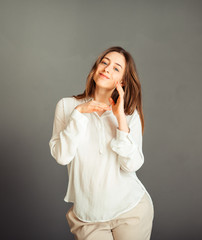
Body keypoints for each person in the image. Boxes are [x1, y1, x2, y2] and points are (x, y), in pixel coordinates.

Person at [48, 46, 154, 240]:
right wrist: (79, 114)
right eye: (104, 62)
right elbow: (62, 156)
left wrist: (120, 117)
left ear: (122, 81)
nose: (107, 68)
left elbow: (132, 165)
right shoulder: (67, 106)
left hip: (130, 210)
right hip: (88, 218)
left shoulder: (129, 115)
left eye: (116, 68)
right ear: (96, 68)